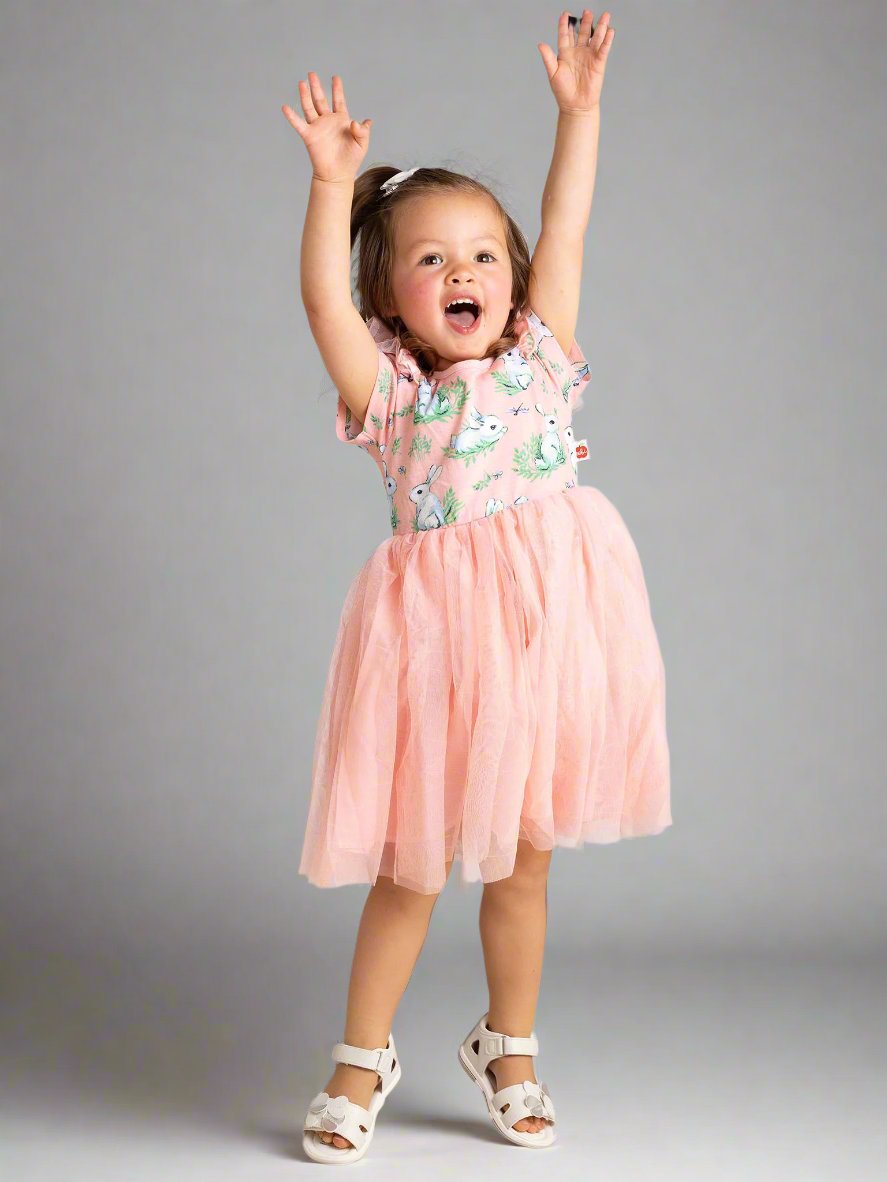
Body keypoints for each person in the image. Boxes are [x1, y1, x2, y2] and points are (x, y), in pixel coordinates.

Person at [282, 9, 671, 1163]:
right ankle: (362, 1059)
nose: (463, 272)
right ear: (390, 298)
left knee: (523, 859)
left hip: (548, 642)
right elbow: (315, 304)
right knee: (412, 863)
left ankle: (508, 1044)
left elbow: (565, 218)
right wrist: (330, 184)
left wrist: (579, 113)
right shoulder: (391, 397)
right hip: (436, 655)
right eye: (429, 259)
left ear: (512, 282)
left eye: (482, 256)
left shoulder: (541, 355)